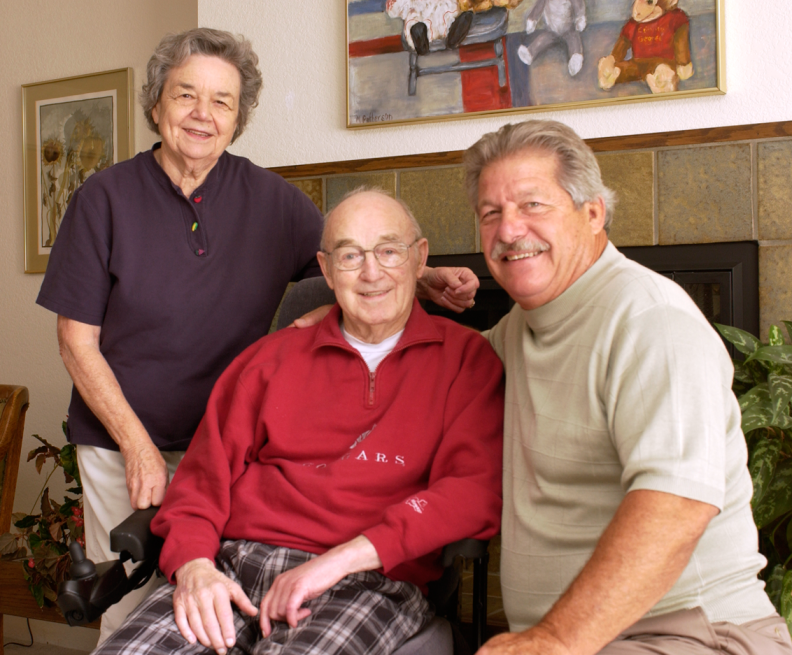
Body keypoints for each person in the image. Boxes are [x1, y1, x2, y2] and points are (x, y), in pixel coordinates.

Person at [36, 27, 479, 641]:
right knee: (130, 608)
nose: (202, 114)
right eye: (186, 95)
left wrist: (423, 276)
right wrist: (138, 448)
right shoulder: (102, 200)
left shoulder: (277, 203)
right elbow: (75, 342)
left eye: (222, 101)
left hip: (234, 452)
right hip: (124, 441)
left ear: (239, 116)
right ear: (156, 102)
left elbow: (354, 257)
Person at [91, 188, 504, 655]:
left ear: (419, 257)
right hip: (231, 567)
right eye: (350, 255)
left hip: (365, 580)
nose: (371, 272)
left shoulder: (467, 361)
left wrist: (340, 561)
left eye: (389, 250)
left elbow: (473, 491)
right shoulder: (268, 360)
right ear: (326, 269)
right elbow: (199, 483)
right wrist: (194, 567)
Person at [462, 120, 792, 655]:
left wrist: (554, 641)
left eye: (533, 205)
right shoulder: (521, 329)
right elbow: (435, 372)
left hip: (696, 634)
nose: (509, 229)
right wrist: (350, 311)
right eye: (491, 213)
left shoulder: (650, 320)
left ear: (592, 213)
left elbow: (676, 505)